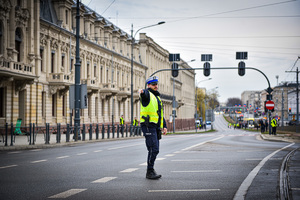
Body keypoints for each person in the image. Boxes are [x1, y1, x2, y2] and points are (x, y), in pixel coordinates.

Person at [139, 76, 167, 180]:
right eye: (153, 84)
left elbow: (160, 114)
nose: (156, 86)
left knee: (155, 149)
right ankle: (149, 171)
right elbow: (144, 94)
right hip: (148, 125)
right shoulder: (147, 94)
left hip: (155, 127)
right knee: (153, 148)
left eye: (156, 84)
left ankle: (151, 169)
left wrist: (164, 126)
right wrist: (142, 92)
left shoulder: (157, 98)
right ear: (148, 85)